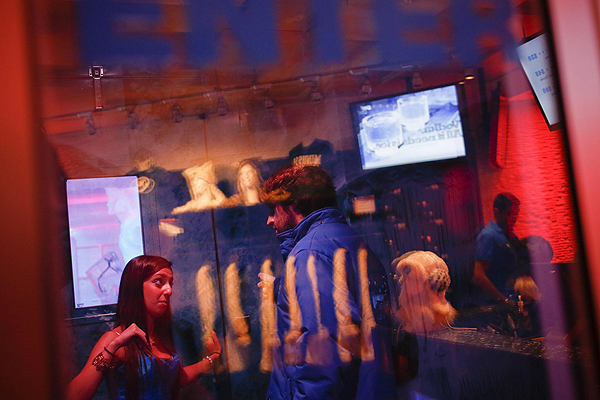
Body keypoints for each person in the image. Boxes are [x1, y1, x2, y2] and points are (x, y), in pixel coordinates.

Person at [259, 165, 393, 400]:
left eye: (273, 208)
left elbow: (324, 354)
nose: (269, 220)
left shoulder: (310, 253)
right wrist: (284, 288)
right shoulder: (345, 238)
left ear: (293, 205)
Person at [67, 255, 221, 400]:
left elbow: (176, 378)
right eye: (159, 282)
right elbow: (74, 396)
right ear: (136, 288)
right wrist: (112, 347)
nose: (169, 291)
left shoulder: (160, 336)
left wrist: (213, 357)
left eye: (170, 283)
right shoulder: (114, 339)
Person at [473, 193, 522, 305]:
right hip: (497, 305)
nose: (513, 218)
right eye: (509, 213)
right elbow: (478, 275)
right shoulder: (488, 236)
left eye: (516, 214)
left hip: (512, 298)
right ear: (496, 212)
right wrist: (504, 300)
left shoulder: (509, 235)